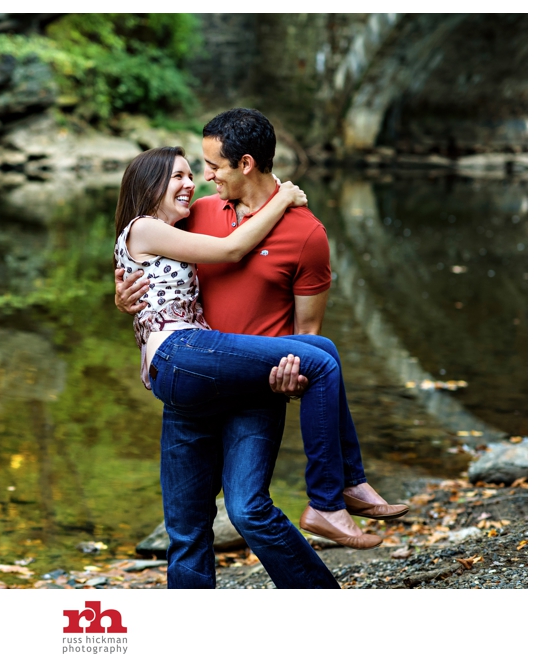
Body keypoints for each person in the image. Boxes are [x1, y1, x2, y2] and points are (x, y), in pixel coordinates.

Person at [114, 109, 407, 589]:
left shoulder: (307, 234)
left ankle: (329, 535)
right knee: (186, 530)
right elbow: (144, 265)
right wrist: (122, 295)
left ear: (245, 163)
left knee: (250, 511)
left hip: (255, 385)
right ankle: (337, 492)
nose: (203, 179)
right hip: (192, 375)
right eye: (191, 171)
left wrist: (293, 379)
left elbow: (306, 331)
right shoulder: (197, 214)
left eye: (211, 167)